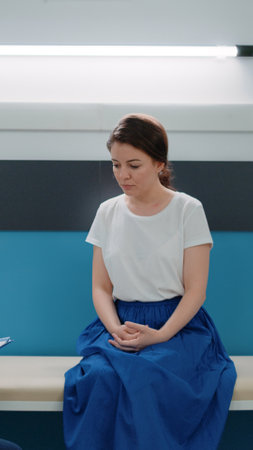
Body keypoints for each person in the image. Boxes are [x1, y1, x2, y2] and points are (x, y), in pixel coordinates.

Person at [63, 113, 237, 450]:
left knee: (147, 379)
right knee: (98, 378)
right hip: (119, 323)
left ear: (159, 163)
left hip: (178, 328)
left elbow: (196, 290)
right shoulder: (108, 212)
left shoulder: (187, 210)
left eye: (133, 165)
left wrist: (160, 335)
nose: (122, 175)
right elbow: (101, 287)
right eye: (115, 165)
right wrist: (115, 328)